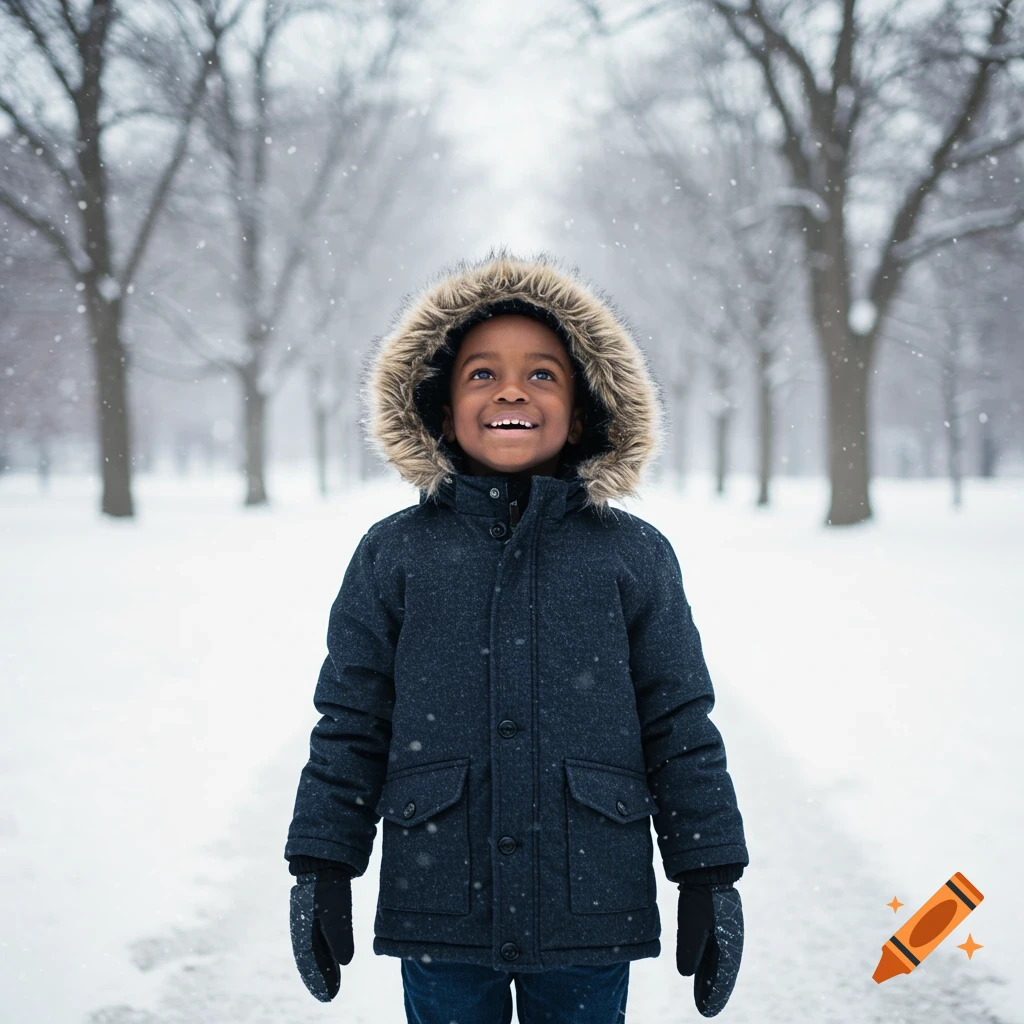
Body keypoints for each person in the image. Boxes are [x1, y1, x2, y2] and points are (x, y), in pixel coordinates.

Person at [284, 251, 749, 1023]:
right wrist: (321, 863)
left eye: (542, 374)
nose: (510, 389)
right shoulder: (393, 553)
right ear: (437, 407)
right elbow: (352, 720)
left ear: (586, 405)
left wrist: (709, 873)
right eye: (480, 374)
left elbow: (679, 723)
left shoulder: (632, 555)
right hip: (442, 901)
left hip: (587, 901)